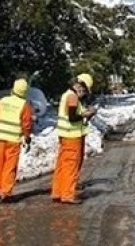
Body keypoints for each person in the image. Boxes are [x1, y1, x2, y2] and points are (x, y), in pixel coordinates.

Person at [51, 74, 97, 204]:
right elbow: (72, 117)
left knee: (62, 165)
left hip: (66, 135)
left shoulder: (69, 95)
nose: (84, 92)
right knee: (71, 166)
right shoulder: (72, 97)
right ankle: (67, 195)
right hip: (72, 136)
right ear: (80, 85)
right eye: (84, 89)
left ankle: (58, 191)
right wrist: (86, 114)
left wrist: (84, 114)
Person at [0, 78, 34, 203]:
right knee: (9, 167)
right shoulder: (25, 105)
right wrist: (27, 137)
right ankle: (5, 193)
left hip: (0, 139)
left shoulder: (2, 101)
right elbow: (27, 124)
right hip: (13, 140)